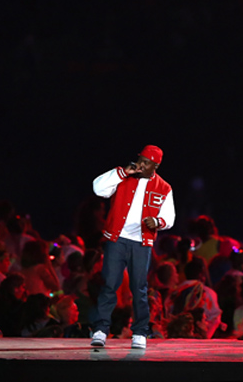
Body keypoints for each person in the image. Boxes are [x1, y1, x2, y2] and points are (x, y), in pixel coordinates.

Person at [90, 145, 175, 350]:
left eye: (146, 163)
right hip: (117, 238)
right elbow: (98, 188)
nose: (141, 165)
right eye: (140, 160)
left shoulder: (164, 187)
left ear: (155, 166)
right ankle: (101, 329)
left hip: (141, 242)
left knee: (139, 287)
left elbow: (169, 217)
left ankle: (139, 332)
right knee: (109, 283)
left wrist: (158, 221)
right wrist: (121, 172)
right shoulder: (123, 177)